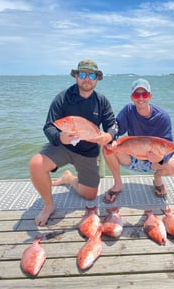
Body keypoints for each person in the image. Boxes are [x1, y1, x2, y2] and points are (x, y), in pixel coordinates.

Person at [29, 60, 118, 226]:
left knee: (90, 195)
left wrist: (108, 136)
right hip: (63, 147)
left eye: (91, 75)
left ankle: (69, 178)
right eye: (82, 74)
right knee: (36, 164)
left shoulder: (102, 101)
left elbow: (112, 125)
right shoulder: (62, 98)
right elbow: (49, 126)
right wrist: (60, 137)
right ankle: (49, 205)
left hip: (89, 152)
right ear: (76, 76)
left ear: (97, 79)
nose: (87, 79)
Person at [103, 78, 174, 203]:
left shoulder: (163, 117)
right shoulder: (128, 110)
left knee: (173, 166)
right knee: (107, 148)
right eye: (137, 94)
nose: (141, 98)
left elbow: (169, 146)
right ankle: (118, 184)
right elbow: (115, 128)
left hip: (154, 161)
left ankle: (158, 179)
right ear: (132, 97)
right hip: (132, 157)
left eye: (145, 94)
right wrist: (113, 141)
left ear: (150, 96)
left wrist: (160, 160)